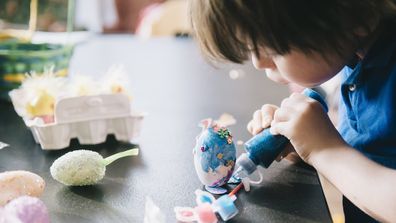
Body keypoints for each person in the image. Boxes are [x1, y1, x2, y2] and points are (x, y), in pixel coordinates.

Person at [190, 0, 396, 222]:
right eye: (251, 46)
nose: (258, 62)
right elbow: (376, 152)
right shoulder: (357, 57)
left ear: (355, 14)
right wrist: (306, 142)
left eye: (271, 47)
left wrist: (325, 150)